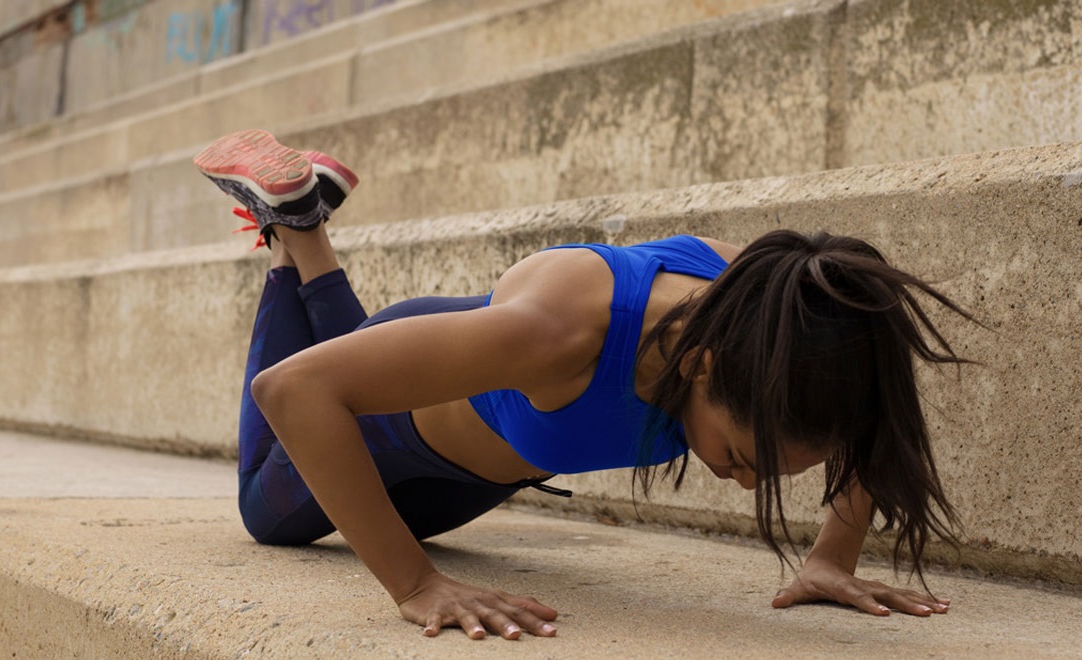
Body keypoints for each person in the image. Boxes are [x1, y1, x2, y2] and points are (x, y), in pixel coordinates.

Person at [194, 129, 973, 640]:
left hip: (478, 466)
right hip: (398, 428)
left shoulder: (774, 310)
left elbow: (871, 406)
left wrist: (832, 557)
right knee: (266, 513)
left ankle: (302, 223)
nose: (743, 484)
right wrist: (416, 585)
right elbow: (293, 392)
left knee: (384, 478)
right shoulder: (562, 331)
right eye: (741, 456)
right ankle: (295, 231)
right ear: (700, 365)